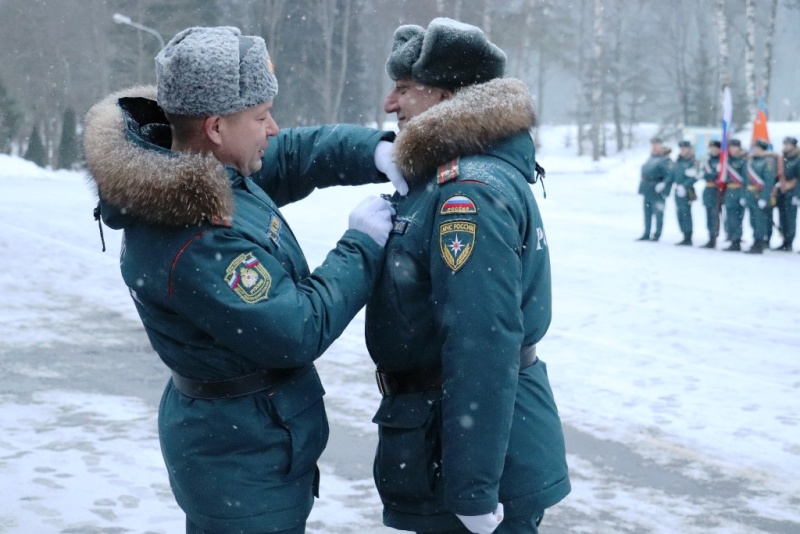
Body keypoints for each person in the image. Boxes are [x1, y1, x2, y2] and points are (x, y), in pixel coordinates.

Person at [83, 26, 406, 533]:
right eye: (260, 117)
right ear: (215, 127)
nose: (273, 128)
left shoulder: (199, 174)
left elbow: (296, 154)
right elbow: (296, 328)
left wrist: (371, 150)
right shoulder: (191, 234)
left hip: (252, 445)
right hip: (239, 462)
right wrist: (361, 245)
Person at [365, 18, 570, 534]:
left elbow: (483, 341)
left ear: (447, 98)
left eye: (406, 89)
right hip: (445, 436)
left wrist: (473, 488)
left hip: (464, 451)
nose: (392, 104)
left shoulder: (468, 192)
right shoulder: (451, 176)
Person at [661, 140, 698, 245]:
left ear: (689, 150)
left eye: (685, 149)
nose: (682, 151)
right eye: (681, 149)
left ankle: (688, 236)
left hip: (687, 190)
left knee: (686, 212)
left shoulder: (693, 161)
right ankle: (684, 234)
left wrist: (684, 186)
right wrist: (665, 184)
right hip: (677, 189)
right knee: (680, 213)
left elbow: (695, 176)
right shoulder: (678, 161)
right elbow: (672, 175)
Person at [743, 139, 776, 254]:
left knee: (760, 220)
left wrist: (764, 198)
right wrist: (744, 195)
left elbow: (769, 181)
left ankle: (760, 243)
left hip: (759, 195)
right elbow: (745, 180)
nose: (755, 150)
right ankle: (755, 241)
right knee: (753, 220)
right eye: (754, 148)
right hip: (750, 195)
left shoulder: (768, 161)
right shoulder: (751, 161)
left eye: (757, 148)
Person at [640, 138, 672, 241]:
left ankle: (657, 234)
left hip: (657, 189)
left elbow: (670, 175)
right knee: (647, 213)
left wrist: (664, 184)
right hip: (647, 188)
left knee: (658, 213)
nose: (654, 148)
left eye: (657, 146)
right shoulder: (651, 158)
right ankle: (646, 233)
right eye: (653, 145)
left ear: (661, 147)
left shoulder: (665, 160)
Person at [772, 136, 799, 251]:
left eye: (788, 144)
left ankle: (789, 242)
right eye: (785, 144)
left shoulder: (797, 159)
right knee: (782, 217)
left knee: (790, 219)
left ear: (793, 146)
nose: (786, 147)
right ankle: (784, 240)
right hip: (782, 191)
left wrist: (797, 195)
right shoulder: (782, 158)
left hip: (792, 191)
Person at [721, 138, 748, 252]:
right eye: (730, 147)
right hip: (729, 192)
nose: (731, 149)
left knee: (737, 217)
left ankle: (736, 240)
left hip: (738, 191)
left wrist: (743, 195)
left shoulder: (743, 160)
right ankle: (731, 237)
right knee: (730, 217)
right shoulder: (727, 160)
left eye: (734, 147)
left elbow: (745, 179)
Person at [699, 140, 723, 248]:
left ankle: (714, 237)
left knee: (715, 215)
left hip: (717, 191)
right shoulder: (707, 160)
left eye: (715, 148)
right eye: (711, 148)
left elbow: (718, 175)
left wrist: (711, 175)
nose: (713, 150)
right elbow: (703, 175)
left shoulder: (722, 160)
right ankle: (710, 237)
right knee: (708, 215)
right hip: (708, 190)